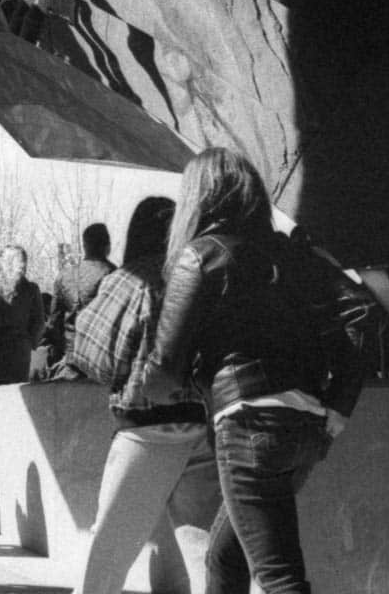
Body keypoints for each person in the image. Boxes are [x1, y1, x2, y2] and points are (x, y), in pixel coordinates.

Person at [153, 148, 375, 594]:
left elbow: (163, 370)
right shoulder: (294, 255)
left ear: (199, 198)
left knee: (280, 578)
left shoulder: (201, 256)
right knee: (224, 557)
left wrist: (162, 387)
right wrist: (339, 406)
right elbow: (363, 311)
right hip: (304, 429)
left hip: (250, 427)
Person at [66, 195, 218, 594]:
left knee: (107, 555)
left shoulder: (130, 279)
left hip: (147, 428)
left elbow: (92, 356)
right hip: (205, 426)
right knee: (199, 550)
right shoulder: (204, 275)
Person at [42, 222, 116, 378]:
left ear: (85, 246)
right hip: (102, 361)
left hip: (71, 361)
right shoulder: (114, 274)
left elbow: (54, 323)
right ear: (107, 246)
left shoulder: (64, 276)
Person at [0, 245, 46, 391]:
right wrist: (30, 343)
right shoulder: (32, 289)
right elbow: (39, 323)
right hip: (19, 351)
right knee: (15, 397)